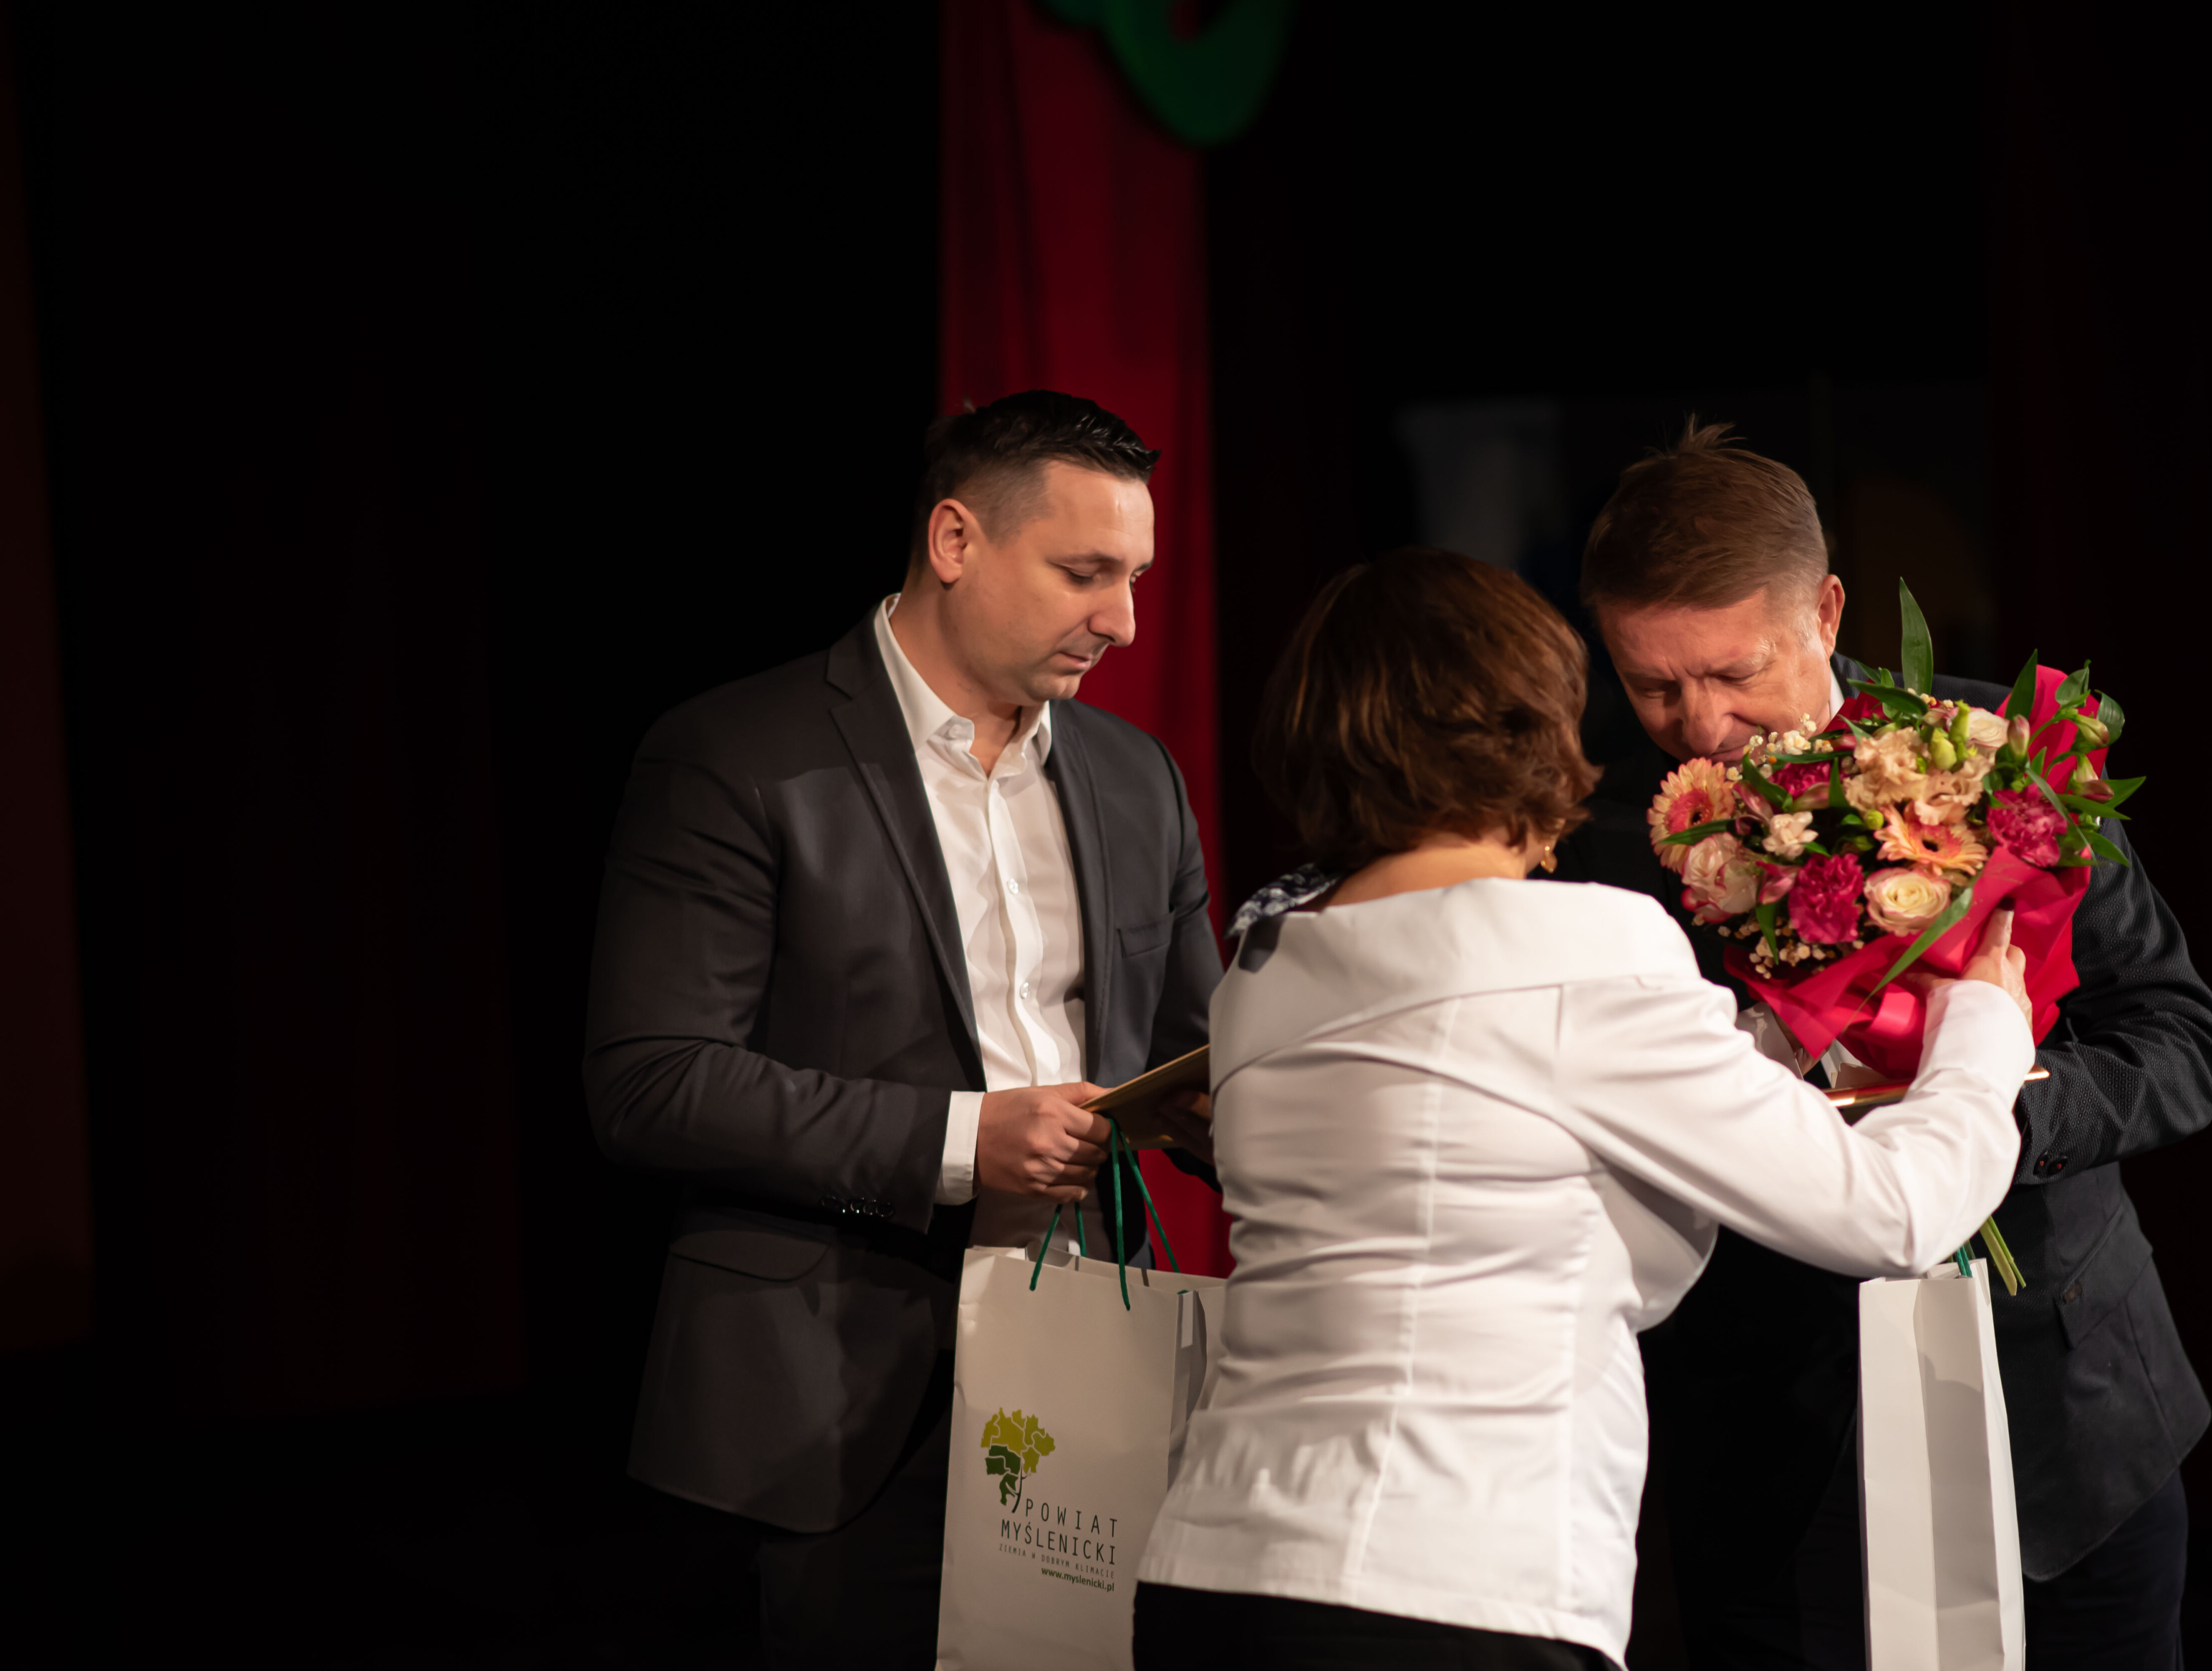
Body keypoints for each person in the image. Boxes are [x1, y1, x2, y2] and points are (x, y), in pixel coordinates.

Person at [1133, 549, 2038, 1670]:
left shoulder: (1264, 975)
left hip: (1211, 1572)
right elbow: (1889, 1211)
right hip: (1449, 1584)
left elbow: (1508, 1102)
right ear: (1530, 727)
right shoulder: (1583, 945)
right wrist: (1983, 1025)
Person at [1557, 422, 2212, 1670]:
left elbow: (2178, 1041)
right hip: (1773, 1447)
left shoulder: (2001, 761)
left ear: (1823, 611)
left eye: (1733, 671)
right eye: (1652, 686)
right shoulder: (1603, 850)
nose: (1700, 726)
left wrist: (1988, 1112)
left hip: (2070, 1422)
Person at [582, 390, 1221, 1668]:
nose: (1123, 620)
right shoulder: (736, 753)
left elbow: (1196, 1057)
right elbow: (652, 1082)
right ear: (954, 540)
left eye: (1136, 579)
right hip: (826, 1403)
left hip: (1082, 1377)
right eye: (1084, 573)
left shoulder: (1132, 773)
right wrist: (963, 1140)